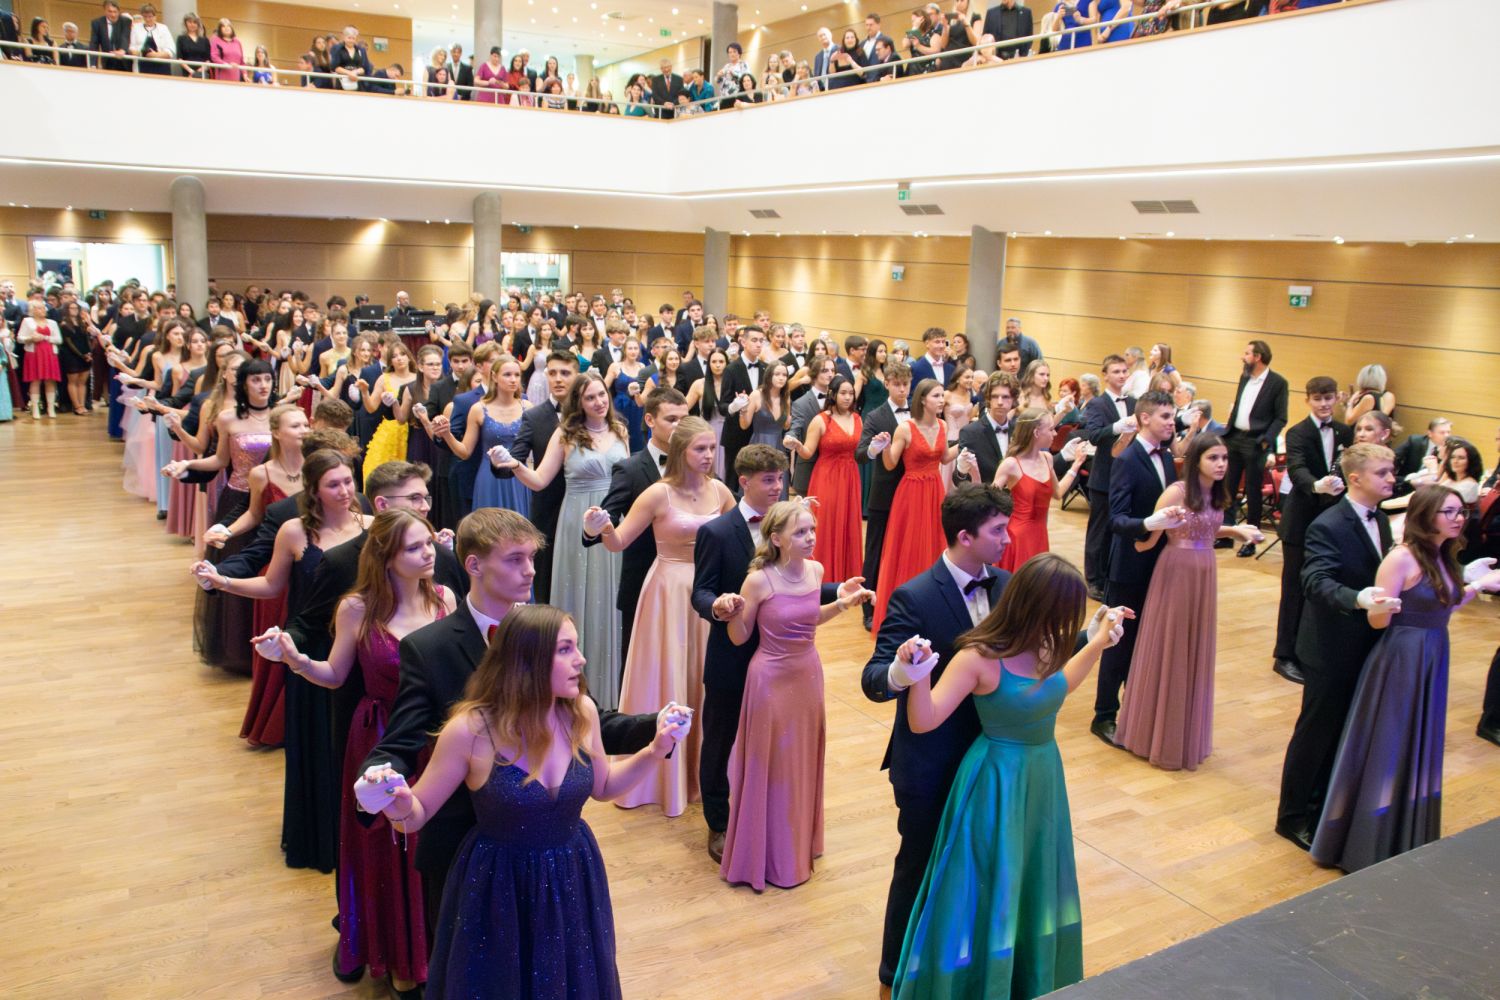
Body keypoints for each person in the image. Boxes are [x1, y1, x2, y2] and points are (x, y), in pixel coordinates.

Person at [365, 605, 688, 998]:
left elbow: (604, 786)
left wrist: (656, 749)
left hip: (573, 872)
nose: (581, 659)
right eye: (566, 649)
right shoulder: (470, 730)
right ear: (527, 660)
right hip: (499, 883)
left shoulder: (581, 713)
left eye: (576, 647)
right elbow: (415, 815)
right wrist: (396, 800)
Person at [893, 555, 1128, 999]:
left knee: (1031, 877)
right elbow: (925, 720)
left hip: (1042, 777)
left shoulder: (1048, 644)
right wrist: (917, 674)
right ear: (1038, 606)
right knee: (989, 883)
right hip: (996, 782)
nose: (1067, 625)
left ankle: (1022, 974)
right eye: (1064, 612)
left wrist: (1097, 642)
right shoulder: (978, 658)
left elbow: (1061, 685)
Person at [255, 509, 453, 994]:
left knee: (433, 848)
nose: (428, 553)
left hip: (438, 741)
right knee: (385, 850)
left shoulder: (445, 598)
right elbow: (336, 674)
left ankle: (435, 953)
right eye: (414, 547)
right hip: (380, 737)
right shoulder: (356, 609)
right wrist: (297, 661)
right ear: (385, 556)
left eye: (428, 543)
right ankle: (396, 956)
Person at [861, 485, 1019, 988]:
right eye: (998, 530)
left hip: (991, 757)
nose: (1008, 538)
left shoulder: (1007, 584)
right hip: (931, 760)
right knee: (920, 863)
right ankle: (894, 970)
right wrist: (903, 671)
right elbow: (873, 678)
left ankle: (962, 956)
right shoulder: (916, 595)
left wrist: (1089, 638)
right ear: (965, 536)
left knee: (982, 861)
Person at [193, 449, 371, 873]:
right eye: (333, 484)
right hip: (310, 645)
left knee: (353, 739)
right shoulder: (294, 531)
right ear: (314, 490)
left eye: (348, 481)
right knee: (316, 741)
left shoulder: (372, 525)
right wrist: (223, 581)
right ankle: (320, 837)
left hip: (360, 646)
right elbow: (272, 585)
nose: (344, 491)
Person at [1311, 486, 1500, 871]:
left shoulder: (1442, 554)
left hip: (1433, 651)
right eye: (1449, 512)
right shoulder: (1401, 557)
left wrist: (1474, 585)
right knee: (1389, 742)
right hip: (1402, 657)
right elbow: (1377, 620)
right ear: (1427, 515)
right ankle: (1366, 841)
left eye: (1461, 511)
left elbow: (1444, 605)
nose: (1458, 518)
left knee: (1417, 739)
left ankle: (1403, 830)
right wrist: (1379, 605)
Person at [714, 500, 872, 891]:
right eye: (800, 532)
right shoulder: (758, 581)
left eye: (812, 530)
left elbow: (809, 619)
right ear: (777, 539)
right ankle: (764, 854)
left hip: (807, 674)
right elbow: (739, 638)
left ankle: (795, 843)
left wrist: (841, 604)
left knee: (800, 760)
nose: (810, 538)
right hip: (769, 679)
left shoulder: (816, 571)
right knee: (771, 763)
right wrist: (731, 613)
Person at [587, 416, 735, 816]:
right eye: (700, 449)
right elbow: (618, 542)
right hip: (667, 590)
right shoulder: (657, 494)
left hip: (710, 591)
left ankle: (704, 772)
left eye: (711, 447)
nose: (708, 455)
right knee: (669, 672)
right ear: (681, 452)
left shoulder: (721, 491)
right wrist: (602, 527)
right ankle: (658, 774)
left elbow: (744, 536)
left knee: (704, 677)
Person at [1275, 443, 1399, 852]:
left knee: (1345, 729)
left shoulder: (1381, 519)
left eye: (1392, 471)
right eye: (1382, 472)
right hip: (1330, 647)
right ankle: (1292, 816)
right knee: (1316, 734)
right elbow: (1315, 582)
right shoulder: (1327, 524)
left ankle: (1324, 804)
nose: (1392, 479)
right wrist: (1357, 599)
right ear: (1356, 478)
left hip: (1365, 643)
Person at [1116, 433, 1260, 770]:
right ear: (1197, 460)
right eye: (1213, 458)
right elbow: (1148, 539)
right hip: (1177, 571)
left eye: (1224, 458)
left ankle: (1183, 733)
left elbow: (1206, 528)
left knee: (1194, 645)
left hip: (1205, 570)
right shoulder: (1176, 492)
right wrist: (1141, 539)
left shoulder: (1216, 493)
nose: (1221, 464)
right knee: (1172, 644)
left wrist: (1235, 531)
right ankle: (1156, 734)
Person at [497, 372, 629, 708]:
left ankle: (613, 691)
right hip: (576, 521)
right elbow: (540, 480)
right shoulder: (565, 434)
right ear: (578, 403)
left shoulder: (620, 430)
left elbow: (627, 480)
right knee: (580, 595)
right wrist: (515, 465)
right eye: (590, 397)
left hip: (612, 519)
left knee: (612, 596)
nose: (598, 402)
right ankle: (572, 686)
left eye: (602, 395)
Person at [1093, 390, 1184, 748]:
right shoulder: (1128, 459)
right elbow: (1116, 519)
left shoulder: (1166, 456)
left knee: (1147, 637)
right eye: (1165, 416)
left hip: (1159, 563)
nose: (1172, 422)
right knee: (1117, 641)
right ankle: (1103, 714)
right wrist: (1149, 523)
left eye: (1173, 416)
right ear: (1145, 418)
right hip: (1129, 565)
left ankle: (1137, 708)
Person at [580, 387, 691, 665]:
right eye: (672, 419)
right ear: (650, 420)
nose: (680, 427)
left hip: (689, 583)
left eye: (684, 420)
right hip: (642, 580)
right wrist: (593, 528)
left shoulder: (698, 464)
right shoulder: (629, 469)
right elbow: (607, 515)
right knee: (639, 663)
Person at [1273, 377, 1353, 686]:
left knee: (1322, 586)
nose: (1323, 404)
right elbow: (1297, 468)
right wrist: (1317, 485)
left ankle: (1310, 650)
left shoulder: (1345, 432)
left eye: (1328, 398)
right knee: (1293, 588)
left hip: (1332, 521)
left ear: (1337, 398)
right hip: (1301, 521)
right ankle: (1284, 655)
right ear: (1307, 400)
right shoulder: (1297, 432)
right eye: (1317, 398)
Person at [871, 378, 958, 634]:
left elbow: (945, 457)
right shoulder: (905, 428)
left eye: (942, 395)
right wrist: (884, 447)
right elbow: (890, 464)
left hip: (934, 490)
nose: (941, 400)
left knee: (934, 543)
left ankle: (932, 608)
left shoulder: (943, 425)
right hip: (910, 493)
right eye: (936, 396)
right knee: (908, 545)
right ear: (922, 399)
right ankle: (904, 610)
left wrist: (966, 443)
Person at [510, 349, 576, 603]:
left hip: (583, 506)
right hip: (548, 508)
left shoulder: (592, 415)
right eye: (553, 373)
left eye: (565, 373)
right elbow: (517, 454)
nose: (558, 379)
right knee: (546, 578)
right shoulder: (534, 416)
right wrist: (504, 463)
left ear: (577, 376)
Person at [784, 376, 864, 580]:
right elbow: (808, 452)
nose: (847, 397)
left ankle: (847, 576)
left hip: (851, 477)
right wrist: (798, 446)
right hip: (827, 477)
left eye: (851, 393)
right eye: (843, 393)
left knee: (848, 525)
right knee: (826, 524)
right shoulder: (821, 420)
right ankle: (821, 575)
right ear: (833, 394)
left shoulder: (857, 418)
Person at [992, 407, 1086, 571]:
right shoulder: (1011, 464)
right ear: (1036, 432)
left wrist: (1076, 464)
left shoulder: (1047, 458)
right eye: (1051, 429)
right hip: (1017, 537)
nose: (1055, 434)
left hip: (1040, 534)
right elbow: (988, 500)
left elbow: (1058, 493)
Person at [442, 352, 530, 517]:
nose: (513, 379)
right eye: (507, 375)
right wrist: (447, 434)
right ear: (494, 377)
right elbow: (465, 452)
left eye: (517, 375)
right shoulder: (478, 409)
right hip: (489, 478)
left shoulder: (528, 407)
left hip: (519, 475)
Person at [858, 362, 913, 630]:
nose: (902, 389)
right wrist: (874, 448)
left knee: (907, 548)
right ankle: (869, 608)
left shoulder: (919, 413)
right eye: (897, 384)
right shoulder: (876, 416)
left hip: (914, 494)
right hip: (886, 493)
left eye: (906, 384)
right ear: (887, 384)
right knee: (876, 551)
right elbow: (860, 454)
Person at [1222, 340, 1289, 556]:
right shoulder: (1244, 377)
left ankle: (1250, 541)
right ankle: (1226, 534)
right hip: (1234, 437)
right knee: (1228, 489)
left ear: (1258, 357)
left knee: (1252, 492)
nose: (1243, 357)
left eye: (1247, 353)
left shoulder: (1278, 383)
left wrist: (1265, 441)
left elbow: (1281, 418)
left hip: (1255, 441)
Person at [1082, 354, 1134, 600]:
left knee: (1119, 528)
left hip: (1128, 476)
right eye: (1116, 371)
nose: (1121, 375)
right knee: (1099, 530)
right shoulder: (1097, 404)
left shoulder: (1134, 402)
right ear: (1105, 375)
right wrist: (1117, 427)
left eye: (1124, 371)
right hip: (1104, 476)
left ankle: (1113, 574)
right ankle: (1093, 579)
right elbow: (1093, 436)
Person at [16, 300, 61, 420]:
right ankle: (35, 408)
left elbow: (59, 339)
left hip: (50, 353)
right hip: (34, 353)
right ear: (33, 310)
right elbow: (20, 338)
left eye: (44, 308)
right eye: (40, 308)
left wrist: (45, 337)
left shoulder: (52, 323)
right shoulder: (27, 321)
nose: (43, 310)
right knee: (35, 380)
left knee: (50, 380)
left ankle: (51, 408)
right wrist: (31, 338)